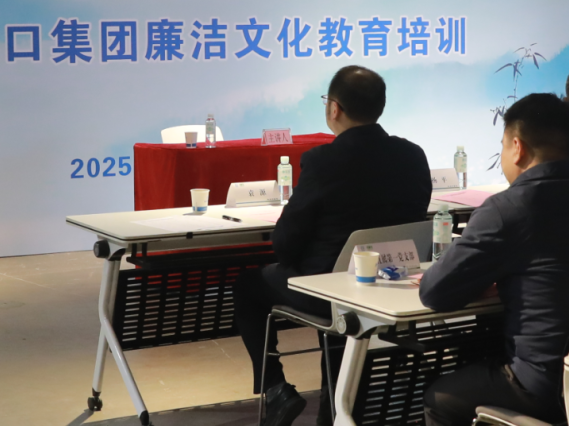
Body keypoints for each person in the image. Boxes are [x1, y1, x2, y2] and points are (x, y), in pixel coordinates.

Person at [235, 65, 432, 426]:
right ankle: (336, 405)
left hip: (332, 291)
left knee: (249, 285)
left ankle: (275, 389)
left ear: (334, 108)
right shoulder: (413, 155)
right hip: (394, 285)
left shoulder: (323, 161)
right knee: (337, 307)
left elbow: (285, 244)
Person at [420, 93, 569, 426]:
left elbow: (435, 292)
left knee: (439, 398)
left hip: (545, 387)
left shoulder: (510, 209)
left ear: (517, 147)